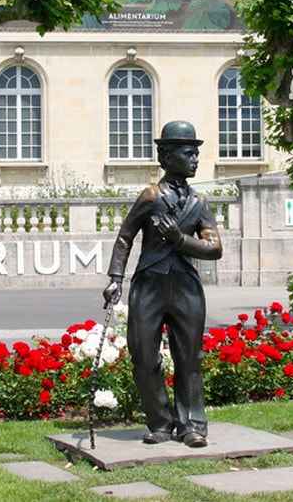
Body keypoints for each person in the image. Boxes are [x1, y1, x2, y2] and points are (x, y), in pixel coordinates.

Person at [103, 120, 222, 448]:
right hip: (150, 286)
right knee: (143, 355)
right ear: (167, 157)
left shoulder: (199, 202)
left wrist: (179, 240)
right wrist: (116, 279)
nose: (196, 159)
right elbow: (125, 237)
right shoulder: (151, 197)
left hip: (185, 286)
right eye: (188, 153)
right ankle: (160, 422)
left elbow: (215, 248)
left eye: (196, 153)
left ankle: (191, 426)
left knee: (190, 358)